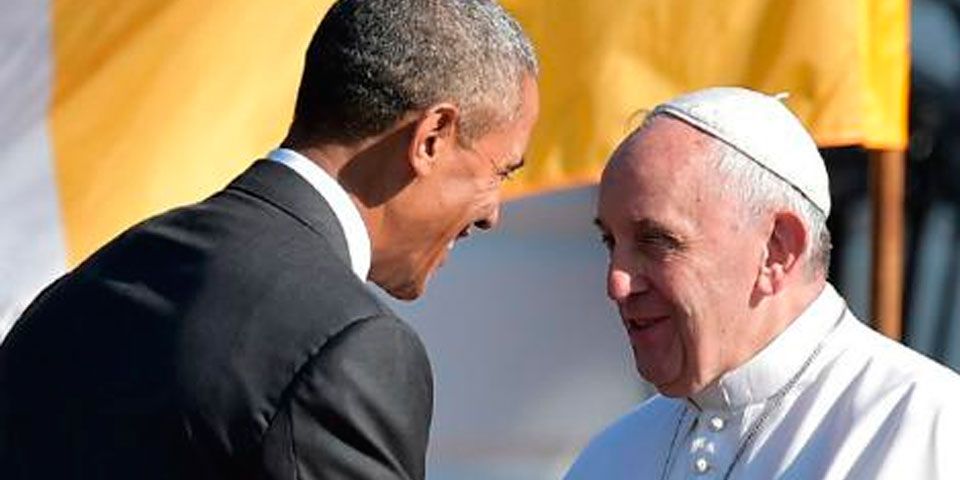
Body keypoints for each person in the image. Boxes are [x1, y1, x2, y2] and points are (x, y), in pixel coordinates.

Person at [0, 1, 538, 479]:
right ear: (432, 138)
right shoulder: (348, 344)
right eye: (501, 171)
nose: (493, 212)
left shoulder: (85, 290)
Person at [566, 87, 960, 479]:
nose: (617, 283)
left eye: (656, 241)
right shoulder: (611, 456)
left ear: (777, 249)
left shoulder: (921, 428)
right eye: (610, 242)